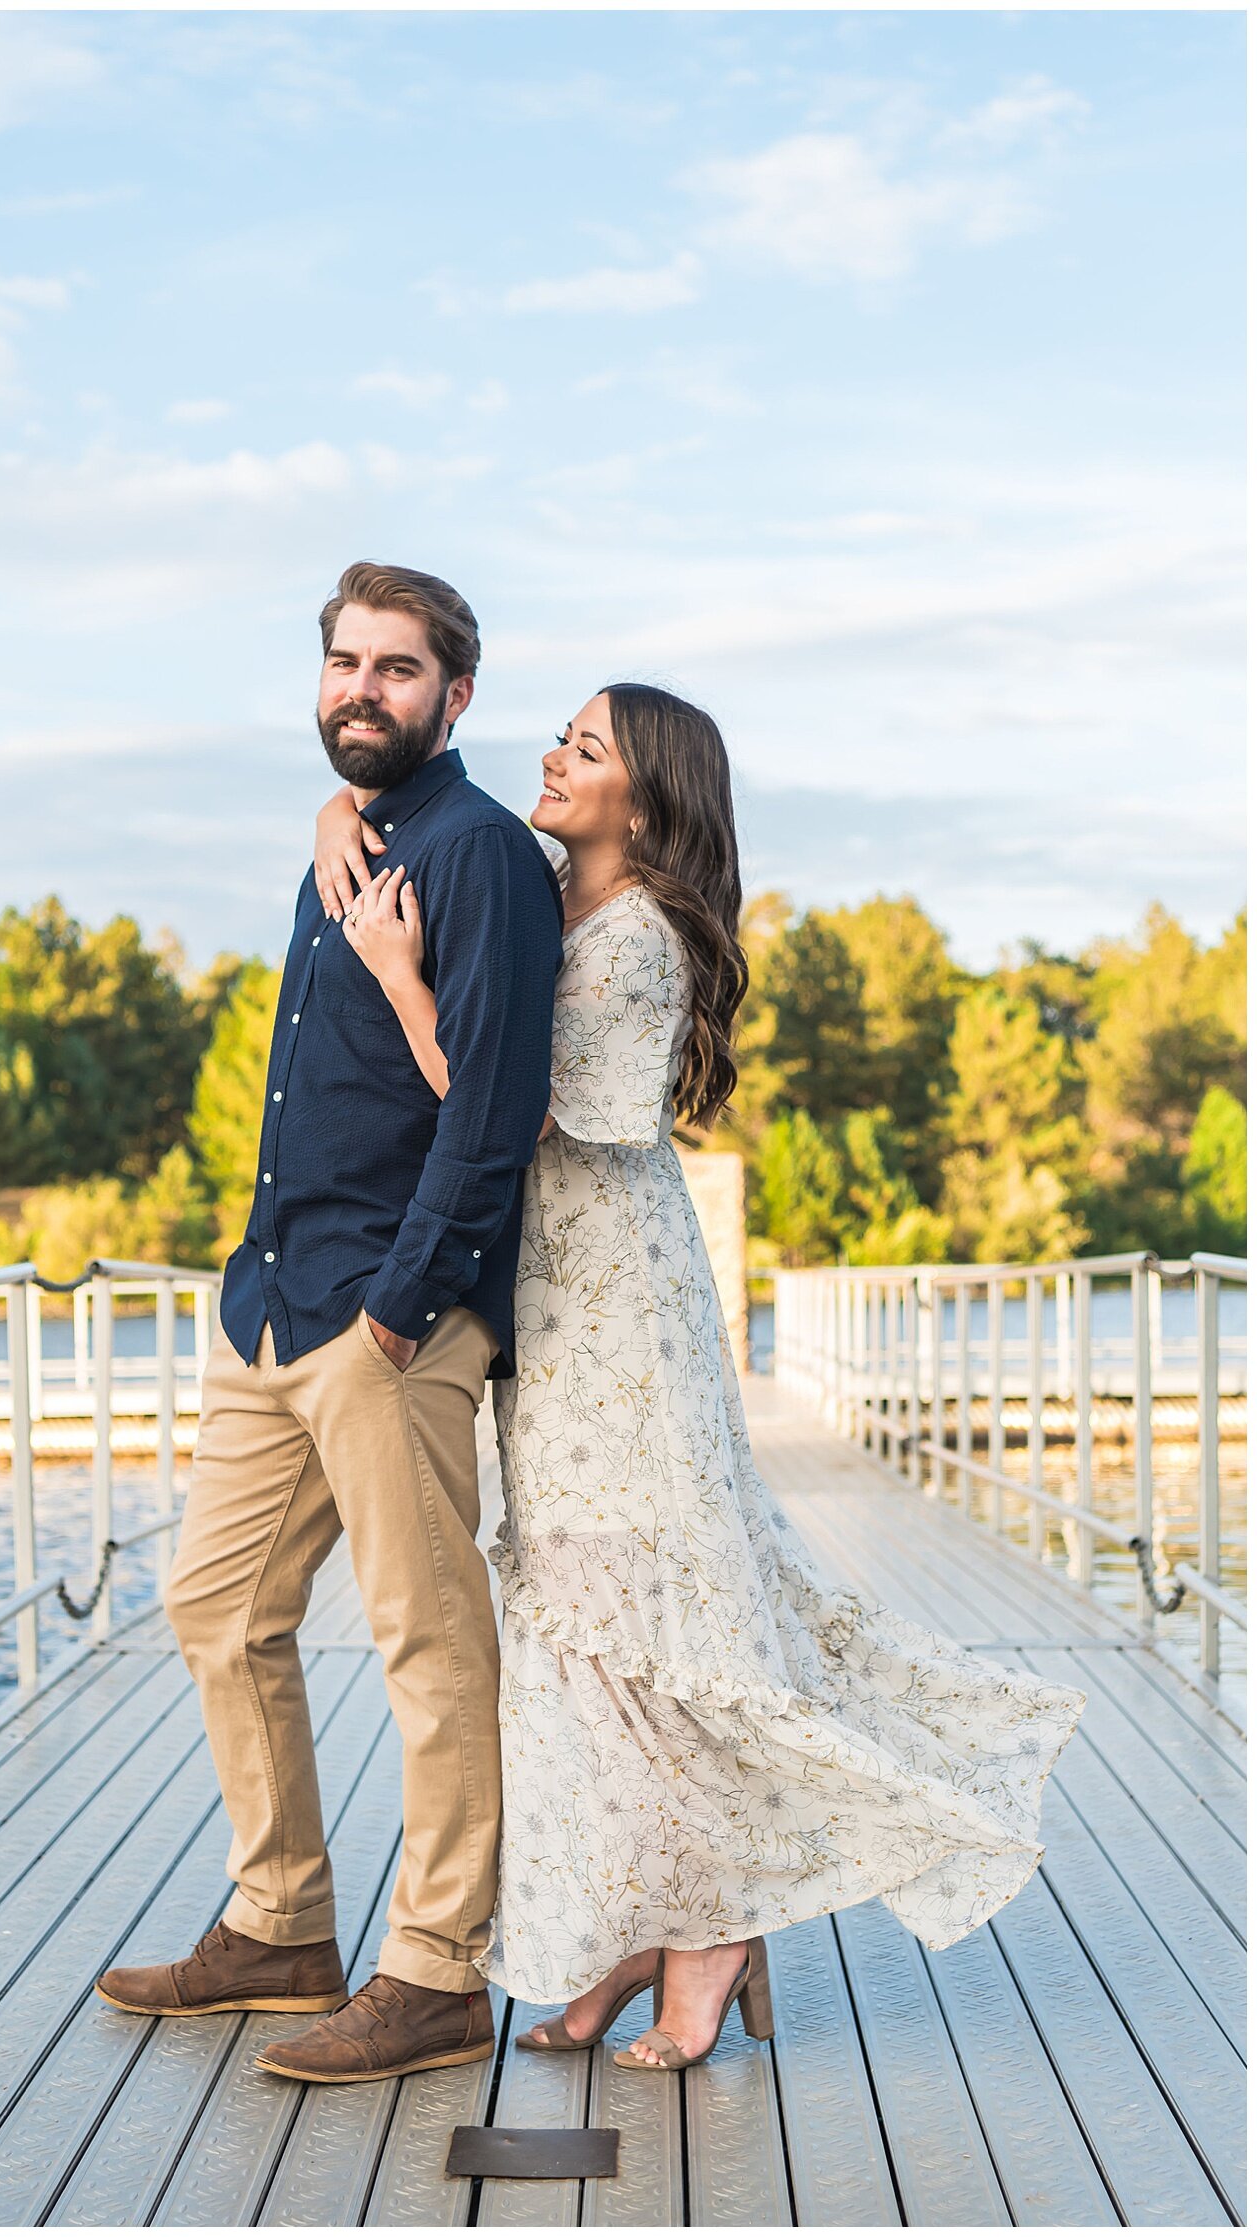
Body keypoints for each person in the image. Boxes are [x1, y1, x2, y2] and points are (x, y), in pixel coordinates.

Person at [319, 680, 1087, 2072]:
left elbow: (523, 1105)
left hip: (618, 1313)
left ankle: (712, 1929)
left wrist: (395, 976)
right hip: (553, 1294)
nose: (554, 755)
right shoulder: (553, 889)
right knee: (574, 1615)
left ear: (648, 798)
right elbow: (438, 822)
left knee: (647, 1615)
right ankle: (647, 1922)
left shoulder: (642, 940)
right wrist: (341, 803)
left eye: (586, 746)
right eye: (560, 733)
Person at [94, 562, 564, 2087]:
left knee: (429, 1639)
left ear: (456, 694)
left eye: (398, 668)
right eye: (345, 662)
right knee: (215, 1607)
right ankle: (284, 1917)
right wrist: (265, 1282)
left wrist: (399, 1308)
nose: (363, 688)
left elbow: (492, 1110)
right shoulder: (344, 843)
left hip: (387, 1317)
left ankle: (434, 1968)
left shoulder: (485, 854)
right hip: (272, 1301)